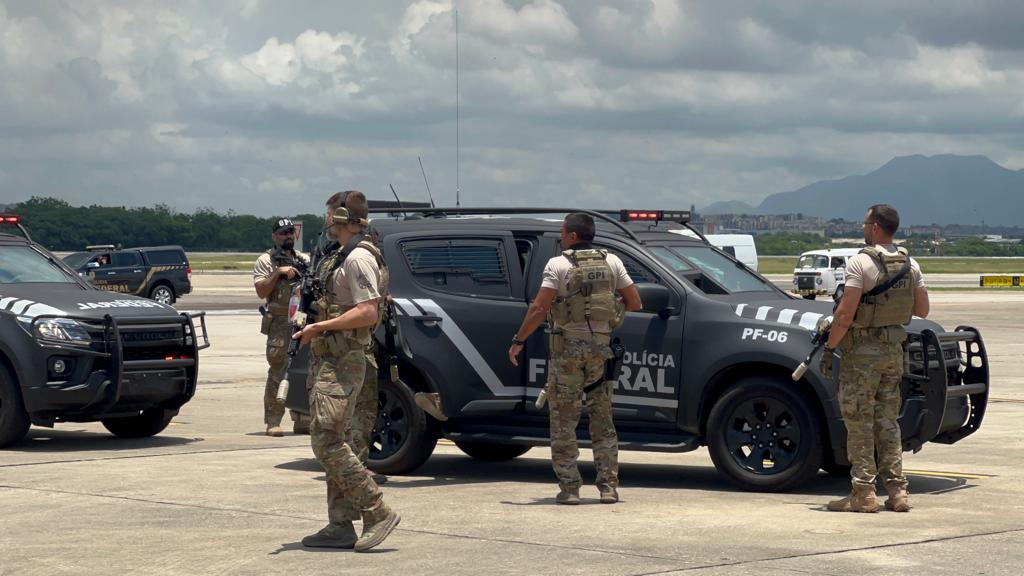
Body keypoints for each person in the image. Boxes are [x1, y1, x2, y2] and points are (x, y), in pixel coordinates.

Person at [508, 212, 641, 505]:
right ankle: (608, 487)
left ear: (571, 236)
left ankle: (570, 489)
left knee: (564, 422)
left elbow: (539, 308)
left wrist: (519, 340)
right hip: (601, 352)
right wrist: (609, 314)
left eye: (562, 232)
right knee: (603, 421)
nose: (560, 237)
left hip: (567, 352)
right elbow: (634, 301)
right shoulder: (612, 261)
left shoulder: (558, 264)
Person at [293, 191, 400, 551]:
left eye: (329, 216)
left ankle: (377, 511)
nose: (326, 222)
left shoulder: (357, 259)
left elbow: (368, 312)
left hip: (342, 359)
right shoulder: (343, 255)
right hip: (330, 356)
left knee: (326, 439)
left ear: (342, 218)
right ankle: (340, 524)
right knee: (336, 438)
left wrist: (320, 328)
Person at [824, 204, 929, 513]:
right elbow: (922, 310)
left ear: (875, 228)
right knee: (887, 421)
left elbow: (844, 313)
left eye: (866, 222)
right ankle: (897, 492)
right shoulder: (911, 264)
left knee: (858, 422)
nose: (864, 226)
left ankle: (863, 493)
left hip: (862, 355)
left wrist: (830, 347)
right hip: (893, 353)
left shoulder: (860, 263)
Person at [252, 218, 310, 437]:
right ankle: (273, 421)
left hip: (301, 320)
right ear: (274, 236)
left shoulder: (303, 259)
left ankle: (303, 418)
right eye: (283, 233)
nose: (287, 236)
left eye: (290, 232)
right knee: (278, 371)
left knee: (304, 370)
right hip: (279, 323)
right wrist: (278, 273)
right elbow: (261, 291)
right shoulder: (266, 260)